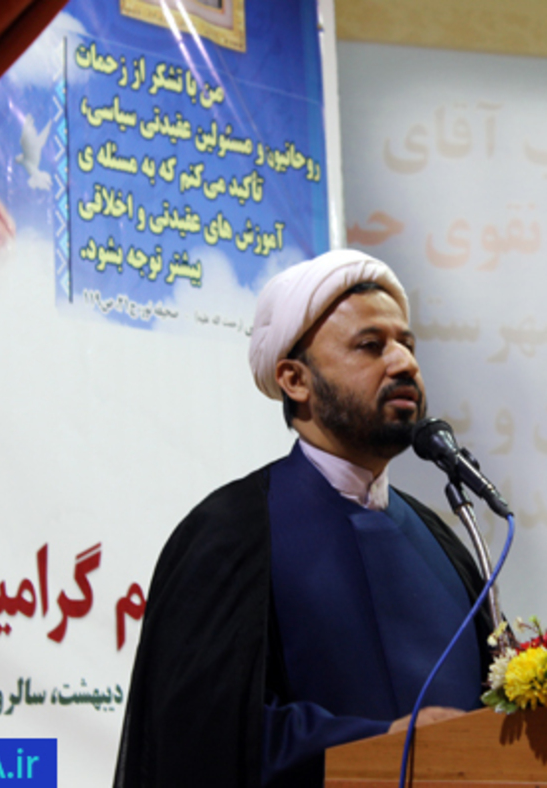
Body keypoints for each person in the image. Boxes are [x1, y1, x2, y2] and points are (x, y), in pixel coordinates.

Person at [114, 249, 495, 788]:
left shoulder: (442, 542)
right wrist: (385, 743)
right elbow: (202, 737)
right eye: (371, 346)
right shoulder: (232, 534)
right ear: (295, 380)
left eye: (406, 345)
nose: (404, 363)